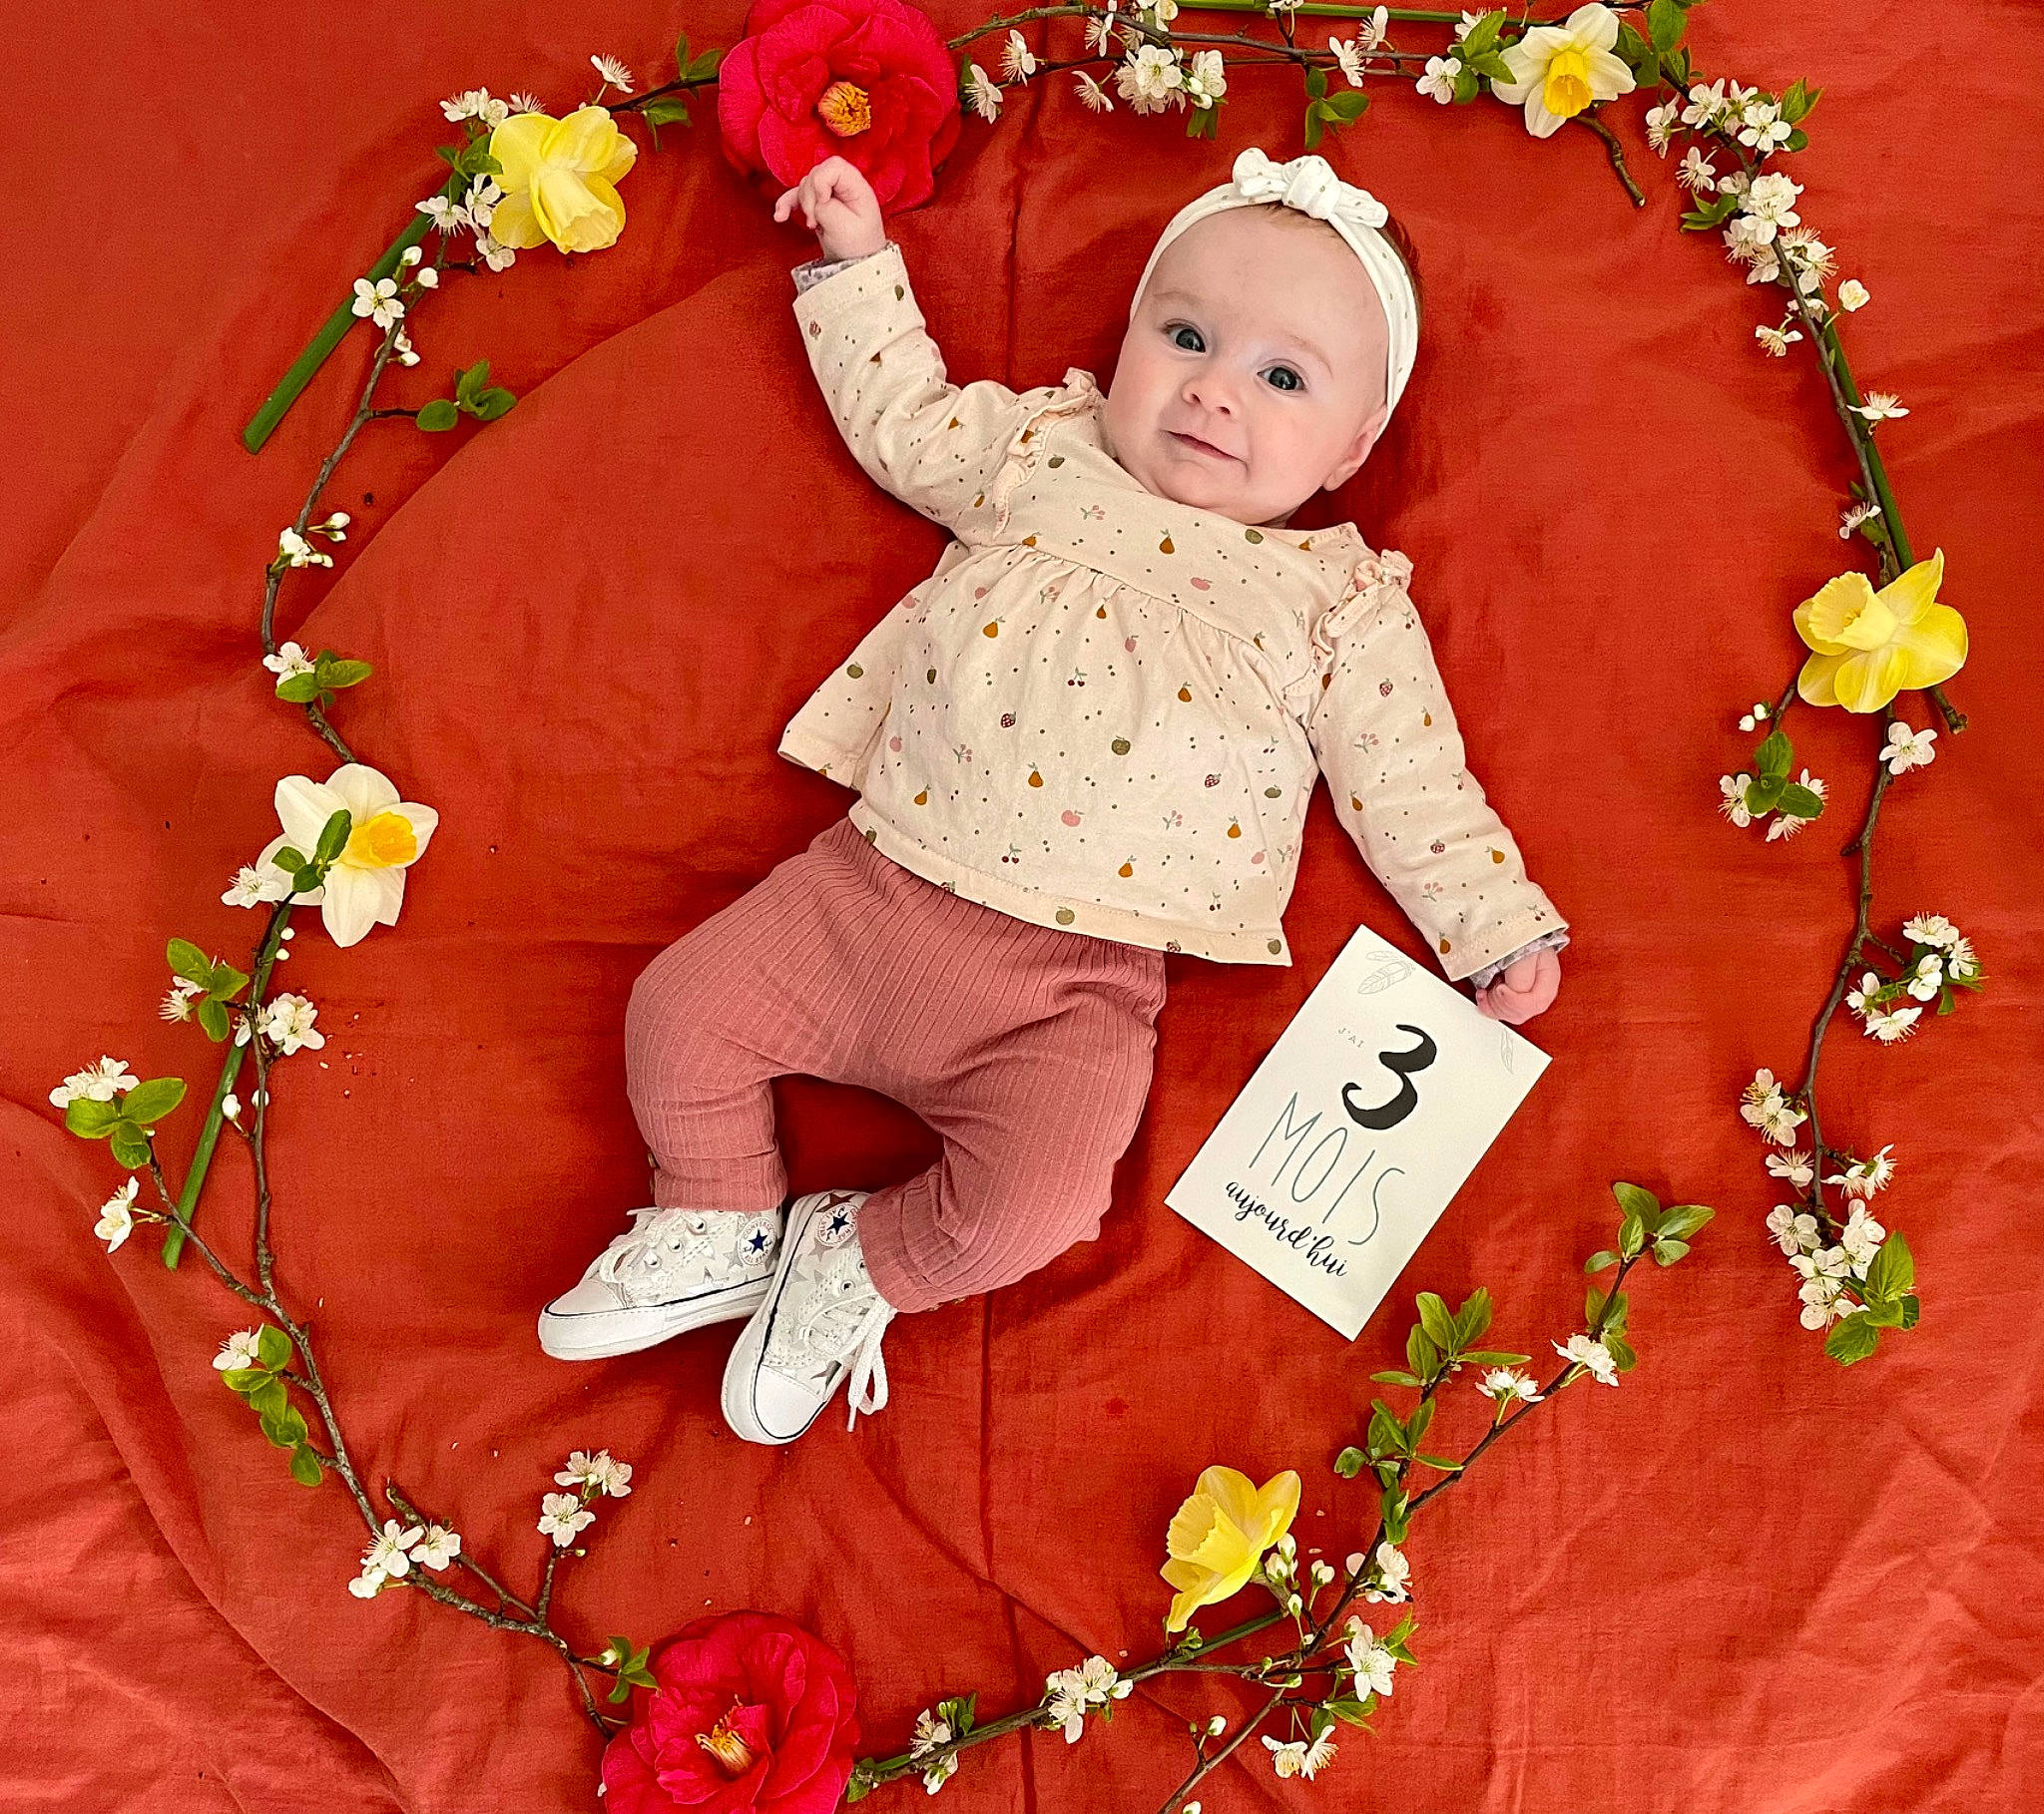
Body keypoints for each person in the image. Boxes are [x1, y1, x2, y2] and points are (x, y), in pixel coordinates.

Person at [538, 147, 1569, 1448]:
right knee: (679, 1010)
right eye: (1185, 336)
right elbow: (905, 420)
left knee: (1040, 1206)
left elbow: (1412, 777)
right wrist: (857, 268)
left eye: (1283, 377)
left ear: (1357, 441)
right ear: (1126, 341)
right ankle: (719, 1211)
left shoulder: (1335, 604)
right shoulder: (1040, 452)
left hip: (1073, 991)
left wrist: (1493, 923)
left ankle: (857, 1257)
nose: (1214, 389)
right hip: (865, 893)